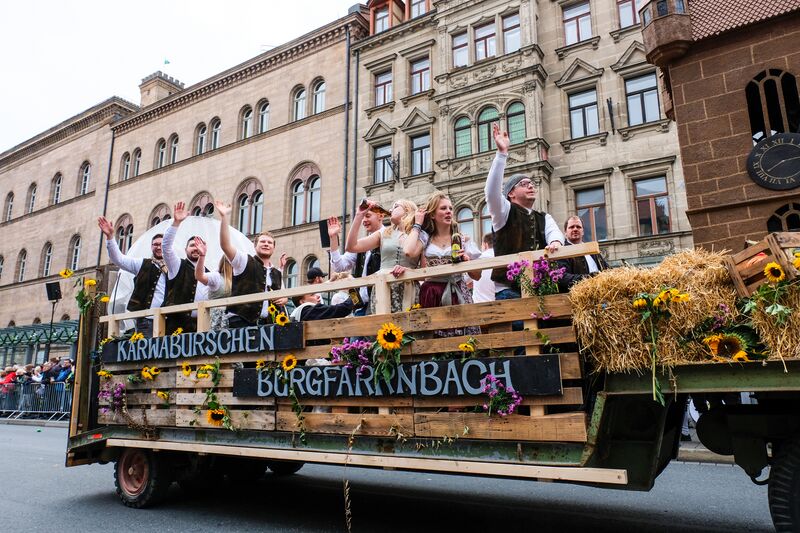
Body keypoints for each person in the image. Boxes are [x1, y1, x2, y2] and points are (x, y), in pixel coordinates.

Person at [484, 123, 564, 301]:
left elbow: (555, 234)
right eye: (523, 184)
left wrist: (556, 243)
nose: (530, 185)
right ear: (511, 193)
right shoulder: (504, 212)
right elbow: (491, 193)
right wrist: (501, 154)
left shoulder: (544, 217)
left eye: (531, 183)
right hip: (508, 291)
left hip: (541, 288)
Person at [404, 191, 481, 338]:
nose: (448, 212)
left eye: (450, 208)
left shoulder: (463, 239)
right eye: (443, 208)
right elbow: (408, 251)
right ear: (432, 214)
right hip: (431, 293)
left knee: (462, 340)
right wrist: (418, 224)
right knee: (432, 341)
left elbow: (477, 276)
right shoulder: (425, 239)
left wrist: (467, 261)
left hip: (457, 291)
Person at [216, 200, 288, 328]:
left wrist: (285, 299)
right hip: (241, 321)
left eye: (269, 243)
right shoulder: (244, 260)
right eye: (262, 242)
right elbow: (225, 245)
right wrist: (224, 217)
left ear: (273, 248)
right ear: (255, 246)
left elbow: (282, 294)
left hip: (267, 324)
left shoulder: (276, 272)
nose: (266, 244)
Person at [346, 199, 419, 314]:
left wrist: (409, 271)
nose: (390, 210)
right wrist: (359, 215)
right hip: (384, 286)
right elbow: (351, 247)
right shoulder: (384, 233)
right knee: (381, 328)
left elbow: (425, 270)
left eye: (395, 206)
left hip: (408, 287)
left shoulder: (418, 233)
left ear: (407, 210)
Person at [98, 216, 166, 338]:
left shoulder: (175, 265)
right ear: (151, 247)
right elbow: (119, 259)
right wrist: (110, 237)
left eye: (161, 244)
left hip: (170, 319)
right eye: (155, 244)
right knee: (146, 354)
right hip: (147, 321)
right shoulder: (142, 264)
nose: (158, 247)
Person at [327, 203, 384, 316]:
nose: (364, 220)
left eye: (367, 216)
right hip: (360, 305)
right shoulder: (360, 244)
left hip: (380, 302)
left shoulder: (388, 237)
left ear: (381, 216)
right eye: (362, 217)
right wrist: (333, 238)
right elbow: (339, 266)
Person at [162, 202, 209, 334]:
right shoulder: (177, 265)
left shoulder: (209, 272)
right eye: (192, 245)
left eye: (199, 245)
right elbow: (166, 248)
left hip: (202, 328)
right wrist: (176, 223)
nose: (196, 248)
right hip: (177, 328)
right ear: (185, 249)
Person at [557, 216, 609, 291]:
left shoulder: (592, 250)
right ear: (565, 232)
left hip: (601, 294)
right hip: (577, 297)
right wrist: (588, 278)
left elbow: (607, 270)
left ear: (583, 231)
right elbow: (562, 277)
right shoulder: (562, 251)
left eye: (578, 227)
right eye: (571, 227)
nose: (575, 229)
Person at [193, 237, 233, 331]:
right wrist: (202, 256)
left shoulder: (240, 279)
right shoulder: (217, 277)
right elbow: (199, 276)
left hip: (234, 322)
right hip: (217, 323)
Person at [472, 233, 496, 303]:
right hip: (500, 303)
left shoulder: (478, 258)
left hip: (479, 304)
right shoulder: (503, 257)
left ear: (485, 245)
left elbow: (466, 281)